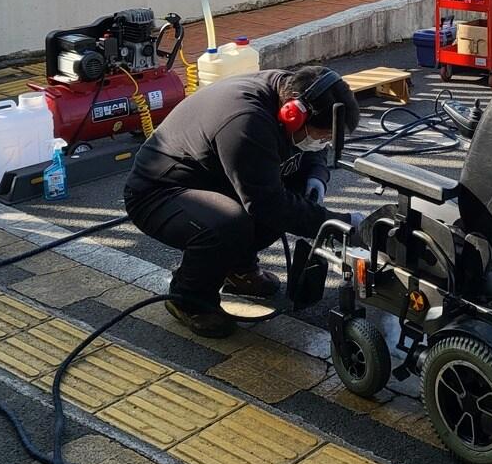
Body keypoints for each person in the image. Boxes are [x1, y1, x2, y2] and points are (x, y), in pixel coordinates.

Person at [123, 65, 361, 338]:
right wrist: (341, 224)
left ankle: (238, 268)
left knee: (294, 193)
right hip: (159, 193)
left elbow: (308, 153)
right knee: (229, 223)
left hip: (216, 179)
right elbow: (267, 204)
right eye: (322, 137)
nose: (323, 143)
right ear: (293, 115)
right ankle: (188, 299)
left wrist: (316, 177)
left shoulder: (295, 96)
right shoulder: (246, 120)